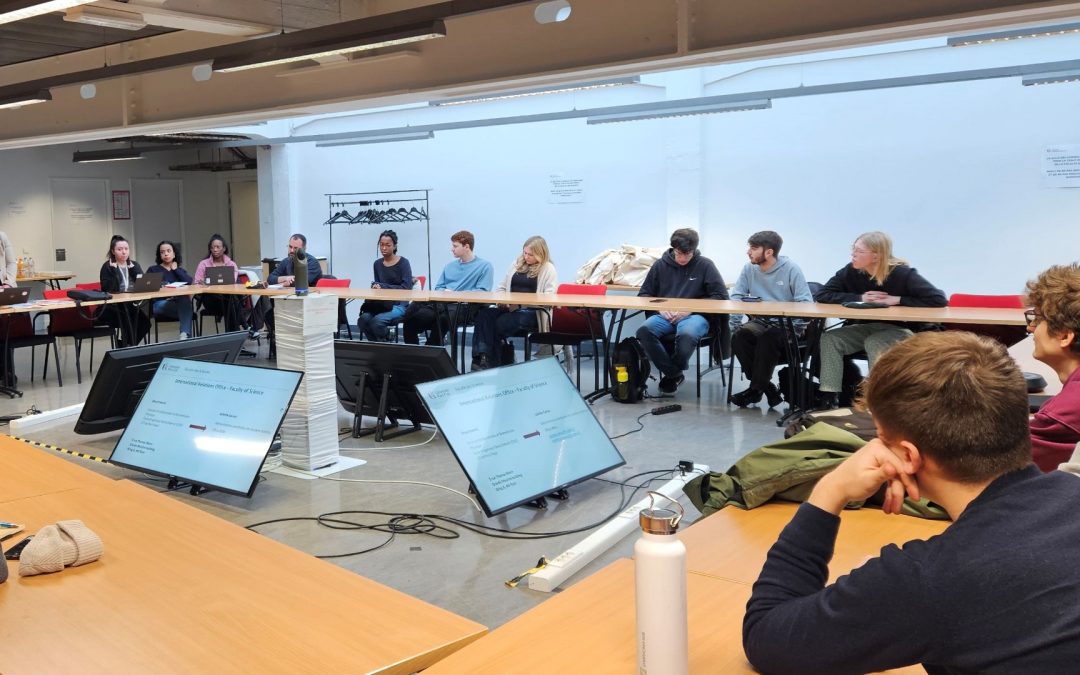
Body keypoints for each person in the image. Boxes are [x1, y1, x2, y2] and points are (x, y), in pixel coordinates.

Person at [743, 330, 1080, 673]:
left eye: (880, 439)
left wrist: (829, 491)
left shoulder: (930, 578)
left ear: (907, 456)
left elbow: (766, 637)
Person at [814, 231, 946, 406]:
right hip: (866, 327)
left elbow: (938, 299)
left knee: (875, 342)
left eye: (859, 251)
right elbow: (823, 294)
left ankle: (877, 401)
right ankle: (829, 398)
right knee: (831, 339)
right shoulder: (851, 270)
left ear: (876, 256)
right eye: (853, 249)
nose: (853, 254)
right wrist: (860, 298)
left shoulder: (902, 274)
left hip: (902, 330)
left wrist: (898, 300)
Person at [635, 227, 728, 394]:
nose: (682, 258)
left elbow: (721, 296)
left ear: (694, 250)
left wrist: (690, 309)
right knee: (644, 331)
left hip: (694, 316)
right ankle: (675, 374)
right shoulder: (660, 265)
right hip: (664, 315)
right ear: (673, 249)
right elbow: (644, 294)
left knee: (687, 334)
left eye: (687, 254)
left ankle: (671, 374)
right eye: (679, 253)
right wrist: (660, 309)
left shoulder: (705, 265)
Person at [729, 230, 813, 409]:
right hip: (761, 321)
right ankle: (767, 389)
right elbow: (736, 296)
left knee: (769, 337)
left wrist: (797, 326)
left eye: (753, 248)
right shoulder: (749, 268)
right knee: (739, 336)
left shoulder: (791, 269)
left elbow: (806, 303)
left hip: (788, 324)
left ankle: (755, 390)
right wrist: (734, 324)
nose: (748, 252)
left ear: (769, 252)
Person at [1023, 263, 1080, 472]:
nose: (1030, 328)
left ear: (1064, 336)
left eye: (1037, 320)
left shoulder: (1062, 416)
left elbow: (993, 466)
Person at [471, 235, 556, 370]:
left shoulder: (548, 268)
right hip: (510, 308)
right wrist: (502, 301)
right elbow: (501, 287)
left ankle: (489, 362)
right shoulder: (516, 263)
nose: (526, 257)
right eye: (525, 253)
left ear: (541, 254)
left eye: (531, 255)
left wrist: (522, 303)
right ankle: (481, 357)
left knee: (499, 323)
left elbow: (549, 297)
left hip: (533, 312)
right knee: (483, 314)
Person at [403, 230, 494, 345]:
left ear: (466, 247)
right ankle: (413, 354)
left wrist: (455, 295)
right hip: (442, 304)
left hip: (465, 306)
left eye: (455, 246)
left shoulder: (485, 266)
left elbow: (482, 292)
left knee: (443, 319)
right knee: (411, 319)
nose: (452, 249)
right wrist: (446, 293)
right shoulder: (449, 266)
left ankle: (431, 352)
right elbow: (439, 287)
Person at [357, 230, 414, 341]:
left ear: (394, 246)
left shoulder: (404, 262)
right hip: (382, 304)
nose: (384, 248)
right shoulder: (377, 264)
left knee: (377, 321)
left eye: (388, 245)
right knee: (363, 320)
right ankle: (378, 346)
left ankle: (386, 338)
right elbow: (379, 286)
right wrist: (376, 287)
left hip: (400, 304)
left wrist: (383, 286)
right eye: (381, 245)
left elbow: (406, 288)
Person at [264, 233, 324, 339]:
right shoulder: (287, 261)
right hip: (288, 302)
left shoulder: (312, 262)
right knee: (268, 313)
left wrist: (288, 281)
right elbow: (270, 278)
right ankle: (279, 343)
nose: (291, 251)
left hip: (307, 304)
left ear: (304, 249)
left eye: (295, 248)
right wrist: (285, 279)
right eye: (290, 247)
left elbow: (301, 281)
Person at [98, 235, 150, 347]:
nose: (124, 252)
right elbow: (108, 288)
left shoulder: (134, 265)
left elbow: (143, 283)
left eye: (126, 249)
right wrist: (113, 270)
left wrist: (134, 269)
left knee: (145, 323)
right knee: (128, 320)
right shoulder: (107, 267)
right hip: (113, 306)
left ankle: (127, 345)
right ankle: (127, 346)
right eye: (120, 249)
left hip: (130, 304)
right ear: (113, 251)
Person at [192, 234, 245, 332]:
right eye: (212, 247)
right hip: (211, 300)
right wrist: (203, 284)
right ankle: (244, 329)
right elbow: (196, 283)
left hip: (227, 299)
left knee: (230, 302)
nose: (215, 250)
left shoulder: (231, 264)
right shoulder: (203, 264)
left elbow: (232, 283)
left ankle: (233, 337)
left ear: (224, 248)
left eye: (217, 247)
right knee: (232, 303)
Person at [146, 240, 194, 339]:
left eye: (168, 251)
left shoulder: (180, 271)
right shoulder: (153, 269)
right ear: (159, 255)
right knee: (187, 309)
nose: (166, 254)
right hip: (160, 305)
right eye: (162, 252)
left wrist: (175, 269)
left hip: (178, 304)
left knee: (185, 301)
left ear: (174, 253)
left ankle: (184, 335)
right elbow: (147, 287)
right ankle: (186, 336)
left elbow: (189, 282)